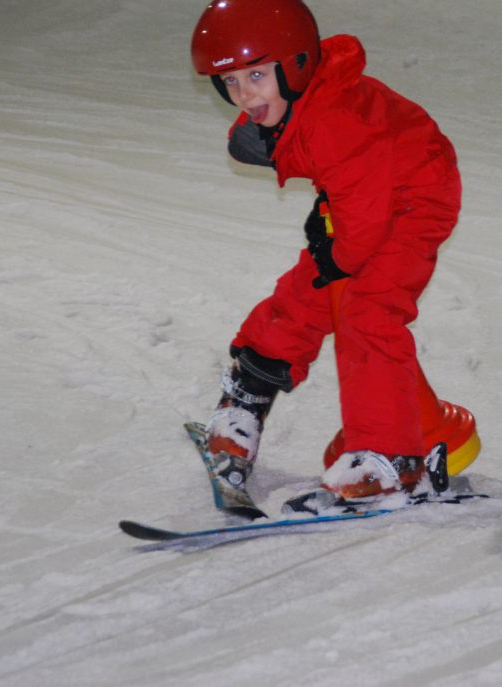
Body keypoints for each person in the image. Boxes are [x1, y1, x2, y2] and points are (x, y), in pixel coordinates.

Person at [190, 0, 463, 501]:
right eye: (230, 82)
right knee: (303, 294)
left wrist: (339, 255)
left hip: (413, 201)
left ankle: (391, 458)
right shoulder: (304, 102)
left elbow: (365, 205)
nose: (243, 93)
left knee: (368, 310)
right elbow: (321, 160)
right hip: (369, 198)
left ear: (295, 65)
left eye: (255, 75)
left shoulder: (335, 117)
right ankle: (245, 400)